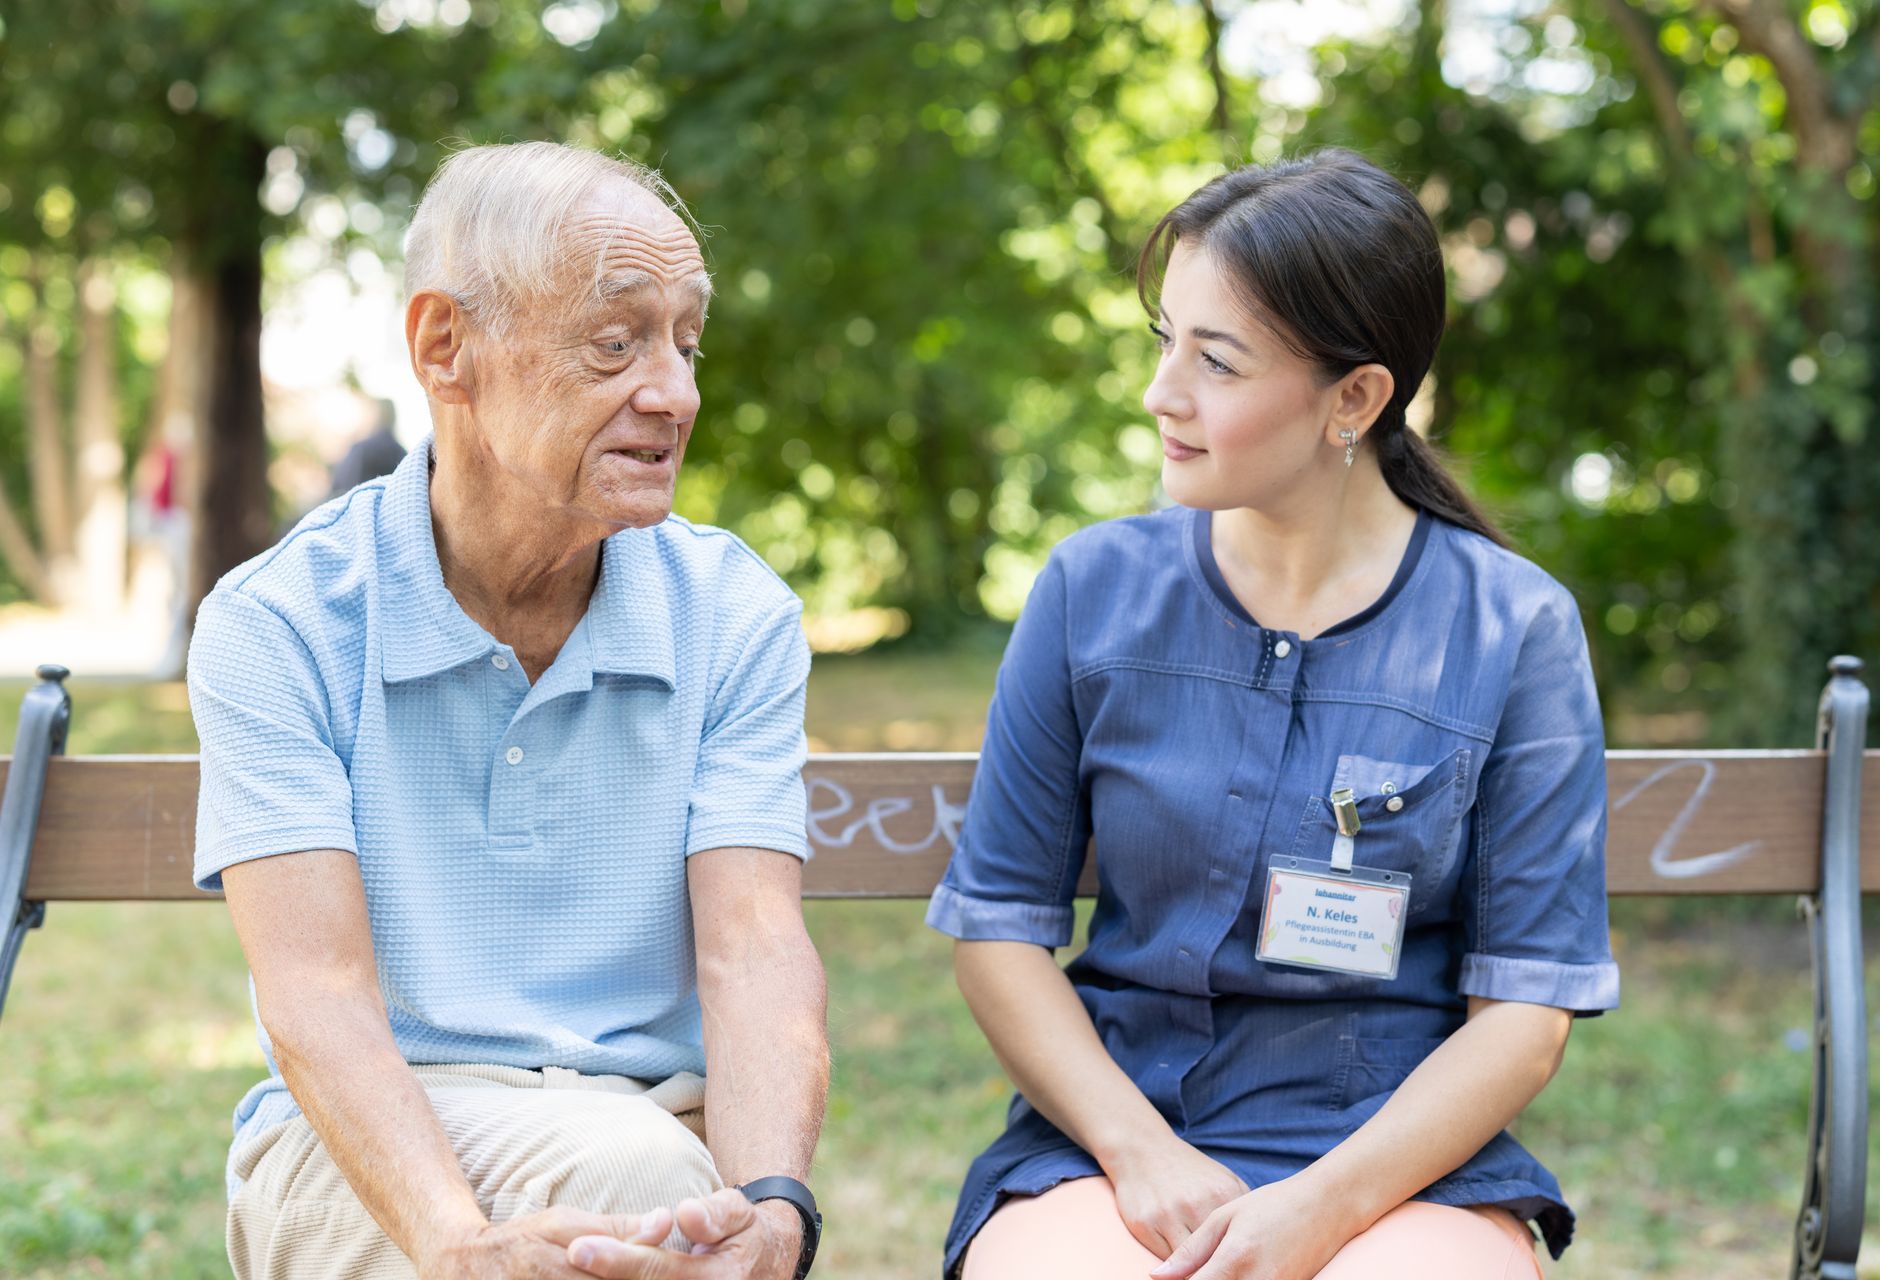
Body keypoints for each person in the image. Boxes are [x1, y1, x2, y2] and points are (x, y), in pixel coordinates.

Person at [927, 148, 1618, 1280]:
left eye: (1219, 361)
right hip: (1118, 1145)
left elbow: (1523, 1013)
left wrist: (1322, 1207)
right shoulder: (1088, 589)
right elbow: (999, 930)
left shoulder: (1514, 627)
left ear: (1355, 397)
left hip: (1395, 1164)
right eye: (1165, 343)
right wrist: (1141, 1156)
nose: (1162, 393)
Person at [188, 141, 829, 1280]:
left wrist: (776, 1207)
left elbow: (755, 946)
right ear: (447, 348)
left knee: (650, 1189)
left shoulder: (735, 612)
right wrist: (457, 1240)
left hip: (655, 1130)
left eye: (687, 342)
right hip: (356, 1151)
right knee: (642, 1197)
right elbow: (315, 992)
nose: (674, 392)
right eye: (616, 340)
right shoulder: (281, 620)